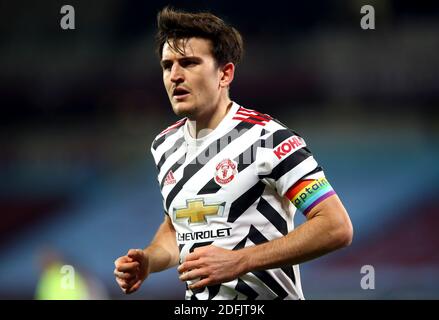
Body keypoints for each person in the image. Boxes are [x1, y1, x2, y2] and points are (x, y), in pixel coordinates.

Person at [114, 6, 353, 300]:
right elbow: (177, 229)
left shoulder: (269, 138)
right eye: (167, 65)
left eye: (188, 63)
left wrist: (242, 259)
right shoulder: (164, 145)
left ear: (225, 73)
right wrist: (150, 260)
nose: (174, 75)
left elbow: (335, 226)